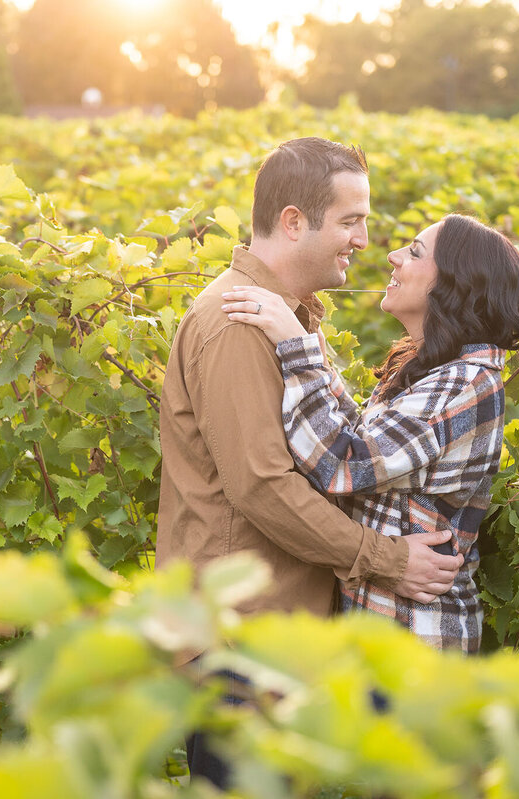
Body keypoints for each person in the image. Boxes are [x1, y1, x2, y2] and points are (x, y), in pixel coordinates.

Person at [155, 137, 465, 787]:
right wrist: (389, 558)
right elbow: (264, 487)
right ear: (295, 221)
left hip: (280, 642)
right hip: (239, 647)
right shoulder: (236, 321)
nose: (364, 239)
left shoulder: (292, 321)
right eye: (351, 221)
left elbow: (345, 444)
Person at [220, 213, 519, 653]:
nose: (393, 255)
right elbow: (362, 436)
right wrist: (310, 344)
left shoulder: (465, 384)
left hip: (413, 645)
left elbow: (343, 462)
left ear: (453, 286)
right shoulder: (438, 372)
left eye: (415, 252)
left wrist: (297, 348)